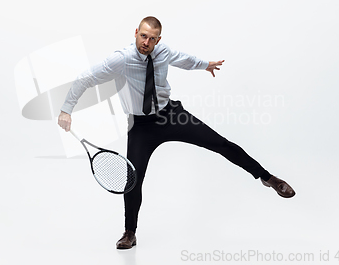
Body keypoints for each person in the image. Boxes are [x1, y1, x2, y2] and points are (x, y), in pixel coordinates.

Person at [58, 16, 295, 249]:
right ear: (135, 33)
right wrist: (66, 110)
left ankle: (268, 178)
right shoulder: (121, 59)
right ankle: (130, 232)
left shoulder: (163, 52)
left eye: (152, 39)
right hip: (140, 126)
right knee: (133, 181)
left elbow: (184, 59)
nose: (146, 43)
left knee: (220, 143)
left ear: (158, 39)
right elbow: (86, 78)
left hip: (171, 115)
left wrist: (206, 65)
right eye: (143, 36)